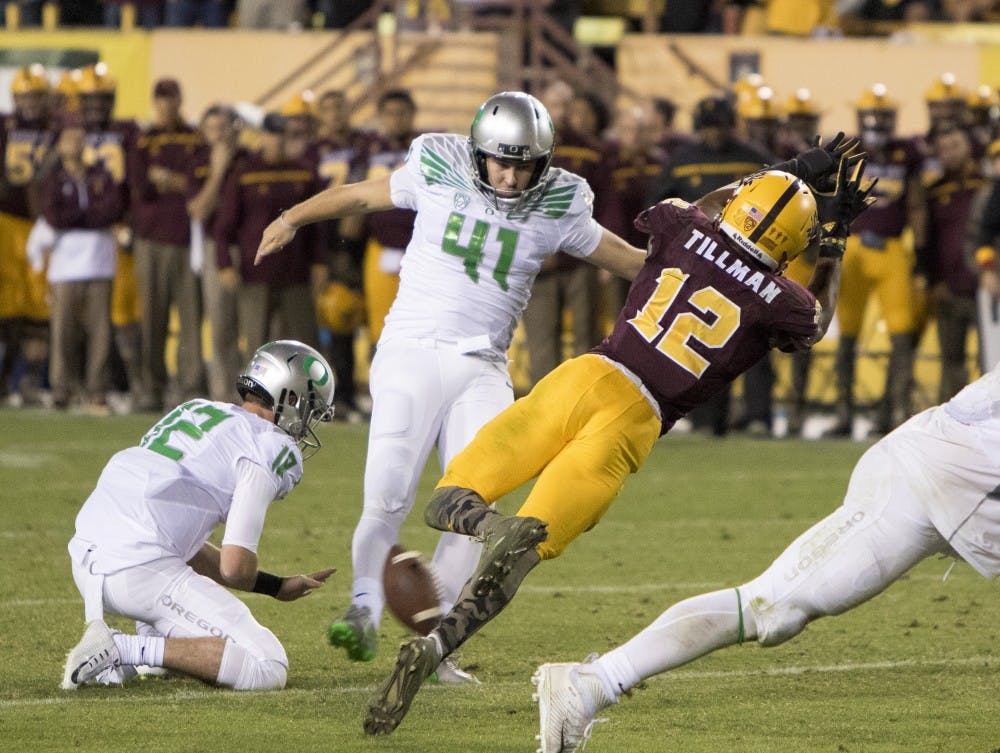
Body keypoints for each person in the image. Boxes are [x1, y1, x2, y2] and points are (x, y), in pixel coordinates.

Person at [361, 142, 878, 736]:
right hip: (635, 421)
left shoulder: (682, 225)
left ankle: (486, 527)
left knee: (447, 500)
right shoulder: (781, 301)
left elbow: (701, 208)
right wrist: (834, 243)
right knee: (522, 557)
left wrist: (782, 170)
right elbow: (819, 321)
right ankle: (438, 646)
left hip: (586, 378)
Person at [254, 91, 648, 680]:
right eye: (500, 161)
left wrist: (711, 266)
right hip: (411, 352)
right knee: (387, 495)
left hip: (483, 366)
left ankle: (437, 644)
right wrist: (290, 218)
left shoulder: (561, 203)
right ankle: (362, 609)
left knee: (473, 507)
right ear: (477, 151)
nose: (511, 176)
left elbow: (626, 261)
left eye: (523, 164)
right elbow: (359, 194)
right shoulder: (438, 167)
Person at [532, 355, 1000, 753]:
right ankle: (590, 684)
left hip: (954, 470)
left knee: (775, 605)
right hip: (928, 477)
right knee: (773, 606)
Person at [62, 340, 337, 691]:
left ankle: (151, 640)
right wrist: (259, 580)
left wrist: (276, 586)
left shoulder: (197, 409)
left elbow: (184, 541)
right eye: (310, 409)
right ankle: (123, 648)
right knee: (266, 666)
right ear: (291, 398)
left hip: (88, 561)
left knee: (172, 570)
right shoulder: (268, 447)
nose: (307, 424)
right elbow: (234, 566)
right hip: (136, 570)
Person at [31, 113, 125, 413]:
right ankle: (62, 390)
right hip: (65, 267)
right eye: (69, 137)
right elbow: (54, 215)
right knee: (63, 331)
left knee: (100, 332)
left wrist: (78, 217)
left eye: (78, 136)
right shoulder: (53, 180)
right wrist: (87, 217)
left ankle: (97, 390)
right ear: (59, 145)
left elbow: (112, 209)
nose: (76, 141)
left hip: (99, 263)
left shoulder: (100, 173)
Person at [130, 77, 206, 411]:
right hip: (151, 240)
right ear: (154, 102)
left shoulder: (193, 138)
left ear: (179, 101)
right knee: (153, 318)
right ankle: (152, 387)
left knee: (190, 319)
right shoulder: (143, 139)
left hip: (187, 239)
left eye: (171, 98)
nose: (166, 105)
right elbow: (139, 186)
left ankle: (190, 387)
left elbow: (196, 182)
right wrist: (176, 182)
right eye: (160, 99)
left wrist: (169, 179)